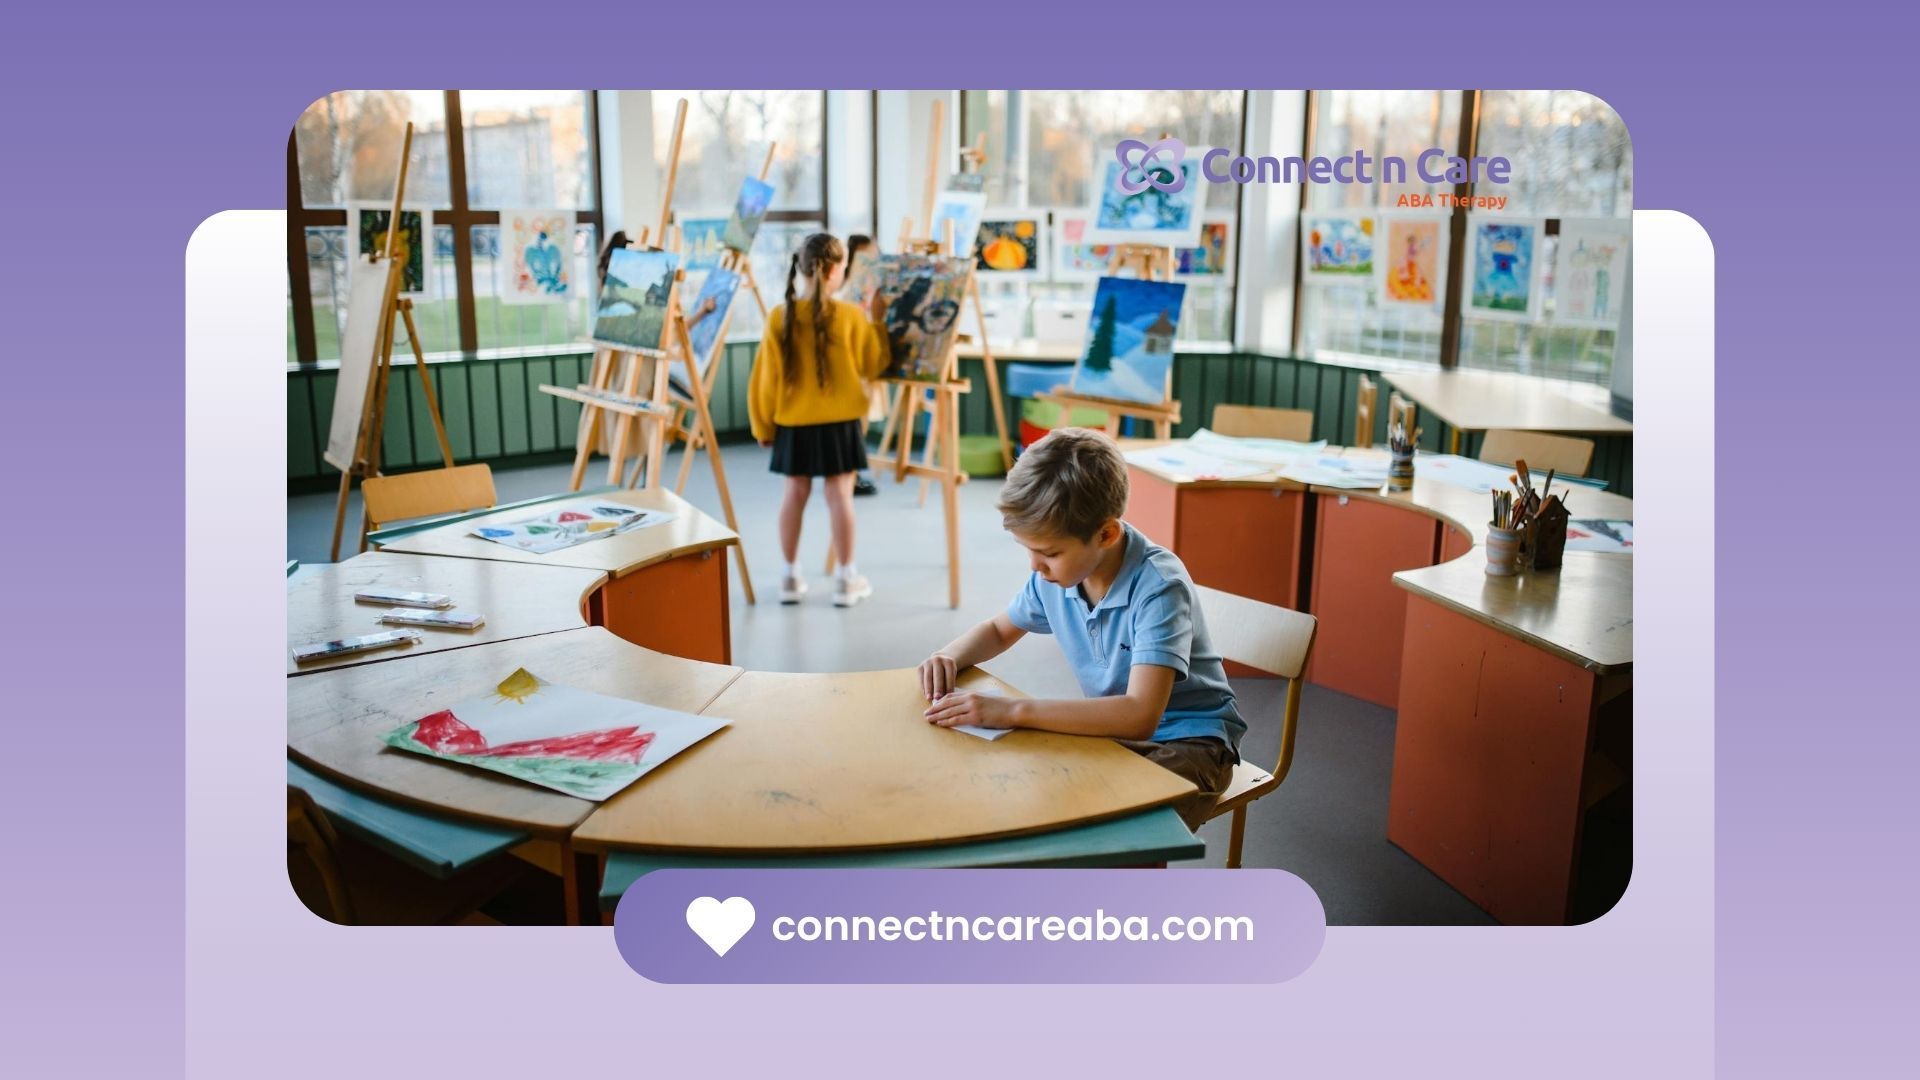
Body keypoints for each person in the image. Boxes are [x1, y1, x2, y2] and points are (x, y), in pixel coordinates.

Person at [916, 427, 1244, 829]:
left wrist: (1014, 710)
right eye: (1029, 551)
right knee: (1033, 799)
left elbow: (1140, 714)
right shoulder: (1055, 577)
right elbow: (1000, 630)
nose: (1035, 567)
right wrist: (949, 654)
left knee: (1118, 829)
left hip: (1191, 742)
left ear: (1106, 534)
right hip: (1114, 732)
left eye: (1049, 553)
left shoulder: (1159, 589)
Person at [748, 233, 890, 607]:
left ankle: (789, 577)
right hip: (840, 424)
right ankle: (846, 579)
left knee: (793, 496)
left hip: (793, 423)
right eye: (843, 267)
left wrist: (763, 427)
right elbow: (875, 366)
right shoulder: (851, 316)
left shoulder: (780, 316)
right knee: (840, 497)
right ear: (831, 270)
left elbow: (765, 380)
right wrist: (878, 322)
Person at [841, 233, 883, 497]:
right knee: (854, 421)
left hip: (865, 358)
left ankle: (852, 473)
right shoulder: (846, 291)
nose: (873, 260)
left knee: (860, 420)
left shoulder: (871, 286)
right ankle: (850, 474)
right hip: (852, 363)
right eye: (867, 256)